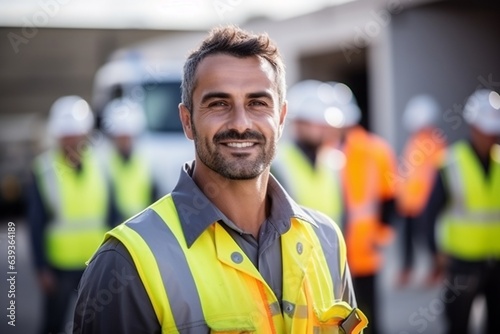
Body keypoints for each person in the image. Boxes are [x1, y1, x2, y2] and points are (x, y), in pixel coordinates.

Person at [72, 25, 368, 333]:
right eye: (219, 103)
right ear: (188, 121)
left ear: (280, 119)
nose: (240, 124)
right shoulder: (125, 263)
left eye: (257, 103)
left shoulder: (327, 240)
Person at [28, 95, 111, 334]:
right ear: (57, 137)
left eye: (75, 134)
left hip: (95, 264)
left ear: (85, 134)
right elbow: (36, 223)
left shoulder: (102, 164)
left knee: (97, 326)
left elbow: (113, 214)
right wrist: (41, 267)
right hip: (59, 267)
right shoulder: (44, 170)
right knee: (53, 325)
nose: (71, 141)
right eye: (66, 136)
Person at [323, 81, 398, 334]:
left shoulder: (376, 151)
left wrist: (380, 236)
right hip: (332, 254)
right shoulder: (323, 154)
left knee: (367, 313)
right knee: (338, 318)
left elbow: (390, 199)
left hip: (365, 250)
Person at [423, 89, 500, 334]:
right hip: (462, 262)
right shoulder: (451, 162)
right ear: (473, 127)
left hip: (497, 262)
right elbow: (429, 212)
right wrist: (435, 253)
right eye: (486, 130)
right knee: (458, 324)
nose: (491, 136)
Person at [272, 79, 344, 224]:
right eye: (316, 122)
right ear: (298, 123)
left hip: (329, 245)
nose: (324, 128)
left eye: (326, 123)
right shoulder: (278, 163)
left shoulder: (333, 163)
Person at [395, 94, 447, 287]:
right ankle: (406, 269)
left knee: (429, 238)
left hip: (426, 200)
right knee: (406, 239)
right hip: (409, 200)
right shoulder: (414, 140)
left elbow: (437, 173)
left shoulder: (435, 141)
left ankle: (437, 268)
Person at [100, 97, 159, 226]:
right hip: (114, 230)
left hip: (142, 229)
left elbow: (155, 198)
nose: (124, 142)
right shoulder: (103, 165)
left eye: (127, 137)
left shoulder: (146, 163)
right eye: (121, 138)